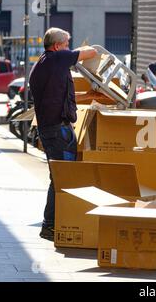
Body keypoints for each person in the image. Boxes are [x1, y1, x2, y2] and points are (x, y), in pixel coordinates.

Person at [29, 27, 97, 241]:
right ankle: (50, 226)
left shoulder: (43, 63)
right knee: (62, 177)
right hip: (57, 130)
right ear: (57, 46)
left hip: (51, 128)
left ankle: (52, 224)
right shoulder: (57, 58)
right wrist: (81, 50)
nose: (69, 47)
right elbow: (93, 52)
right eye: (67, 44)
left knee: (57, 177)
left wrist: (88, 96)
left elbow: (58, 93)